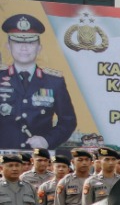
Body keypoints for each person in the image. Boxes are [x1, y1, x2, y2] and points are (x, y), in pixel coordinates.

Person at [0, 13, 77, 150]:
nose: (24, 48)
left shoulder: (54, 82)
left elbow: (68, 121)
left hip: (38, 158)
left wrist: (47, 140)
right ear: (8, 46)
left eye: (30, 42)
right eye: (17, 42)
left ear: (39, 48)